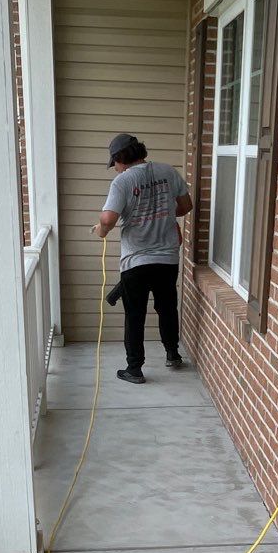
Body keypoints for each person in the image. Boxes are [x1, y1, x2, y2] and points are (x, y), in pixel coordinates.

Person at [95, 130, 192, 385]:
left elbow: (108, 218)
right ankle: (173, 354)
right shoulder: (167, 172)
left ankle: (134, 369)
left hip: (136, 260)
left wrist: (101, 230)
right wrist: (164, 216)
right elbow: (185, 206)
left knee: (135, 314)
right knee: (167, 307)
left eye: (114, 163)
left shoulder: (123, 182)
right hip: (167, 257)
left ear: (120, 158)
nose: (115, 169)